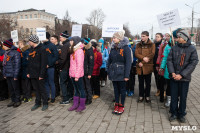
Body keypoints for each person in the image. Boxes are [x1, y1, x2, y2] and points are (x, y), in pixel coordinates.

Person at [167, 29, 199, 123]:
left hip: (184, 78)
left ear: (184, 38)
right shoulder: (174, 48)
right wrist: (172, 72)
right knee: (174, 96)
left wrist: (182, 75)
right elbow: (169, 60)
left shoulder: (192, 49)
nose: (177, 38)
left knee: (183, 97)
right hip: (174, 77)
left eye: (179, 37)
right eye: (177, 37)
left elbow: (193, 63)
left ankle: (181, 114)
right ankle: (173, 113)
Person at [108, 30, 132, 115]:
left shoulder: (126, 49)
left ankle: (121, 105)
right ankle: (116, 104)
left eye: (114, 37)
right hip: (114, 73)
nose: (113, 39)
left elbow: (128, 63)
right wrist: (109, 70)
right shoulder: (113, 48)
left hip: (122, 73)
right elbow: (109, 60)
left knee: (122, 90)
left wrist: (126, 75)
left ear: (119, 38)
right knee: (116, 90)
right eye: (113, 37)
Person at [27, 35, 48, 111]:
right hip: (32, 73)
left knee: (42, 89)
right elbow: (29, 62)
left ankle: (45, 103)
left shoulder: (42, 49)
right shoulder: (31, 49)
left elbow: (43, 63)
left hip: (39, 73)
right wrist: (28, 72)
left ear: (33, 41)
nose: (29, 42)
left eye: (30, 41)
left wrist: (41, 74)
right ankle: (37, 102)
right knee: (36, 89)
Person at [135, 31, 155, 103]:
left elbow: (152, 54)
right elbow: (136, 54)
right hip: (140, 66)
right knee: (140, 83)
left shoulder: (152, 45)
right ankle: (141, 96)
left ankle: (147, 96)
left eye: (143, 36)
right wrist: (143, 58)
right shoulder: (138, 45)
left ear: (147, 36)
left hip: (147, 66)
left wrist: (142, 62)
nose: (142, 37)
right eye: (141, 36)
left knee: (148, 83)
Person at [68, 36, 86, 112]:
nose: (70, 42)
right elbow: (72, 64)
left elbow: (80, 65)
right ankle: (75, 104)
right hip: (73, 74)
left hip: (77, 75)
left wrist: (77, 75)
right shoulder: (73, 50)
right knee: (75, 89)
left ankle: (82, 105)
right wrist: (70, 73)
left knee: (81, 90)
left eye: (71, 40)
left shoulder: (79, 51)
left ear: (75, 41)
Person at [2, 39, 21, 107]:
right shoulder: (6, 53)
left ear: (7, 46)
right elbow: (4, 64)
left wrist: (16, 75)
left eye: (4, 45)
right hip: (8, 74)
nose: (3, 46)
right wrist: (4, 74)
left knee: (15, 87)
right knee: (10, 88)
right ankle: (13, 100)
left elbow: (17, 65)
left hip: (13, 74)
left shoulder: (15, 53)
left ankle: (17, 100)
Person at [58, 31, 74, 104]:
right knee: (69, 82)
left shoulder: (65, 46)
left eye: (60, 37)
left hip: (64, 67)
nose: (59, 38)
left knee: (63, 83)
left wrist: (60, 67)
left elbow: (63, 59)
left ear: (64, 38)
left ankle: (65, 98)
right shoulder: (68, 45)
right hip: (69, 67)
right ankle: (70, 95)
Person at [43, 32, 59, 103]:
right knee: (45, 82)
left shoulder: (52, 46)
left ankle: (53, 97)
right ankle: (47, 97)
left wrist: (49, 64)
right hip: (43, 68)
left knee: (51, 82)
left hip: (50, 68)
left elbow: (56, 56)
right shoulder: (42, 46)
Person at [160, 35, 173, 107]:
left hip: (177, 70)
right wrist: (162, 67)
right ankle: (169, 99)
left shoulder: (178, 46)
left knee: (176, 86)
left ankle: (176, 99)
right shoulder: (167, 47)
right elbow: (164, 58)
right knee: (169, 86)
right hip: (168, 70)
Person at [155, 33, 167, 102]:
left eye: (158, 37)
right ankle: (160, 91)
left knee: (165, 80)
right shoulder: (158, 45)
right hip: (159, 63)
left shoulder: (166, 45)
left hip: (165, 65)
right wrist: (157, 63)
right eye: (156, 37)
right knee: (159, 79)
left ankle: (165, 92)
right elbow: (159, 55)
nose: (156, 38)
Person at [83, 38, 94, 105]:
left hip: (87, 71)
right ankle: (85, 97)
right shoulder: (84, 49)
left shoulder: (89, 51)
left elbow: (91, 63)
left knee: (87, 86)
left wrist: (90, 73)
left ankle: (89, 99)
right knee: (84, 85)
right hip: (83, 70)